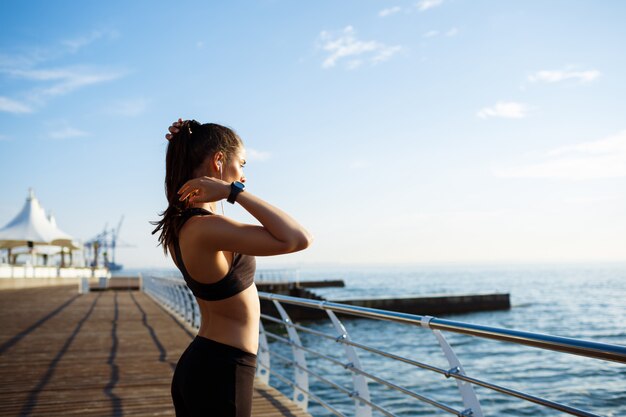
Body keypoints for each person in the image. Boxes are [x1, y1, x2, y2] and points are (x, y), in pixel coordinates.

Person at [152, 119, 312, 417]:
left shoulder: (186, 224)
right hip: (221, 372)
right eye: (242, 164)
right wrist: (233, 192)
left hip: (209, 365)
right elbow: (298, 238)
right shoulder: (204, 228)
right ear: (219, 160)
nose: (244, 177)